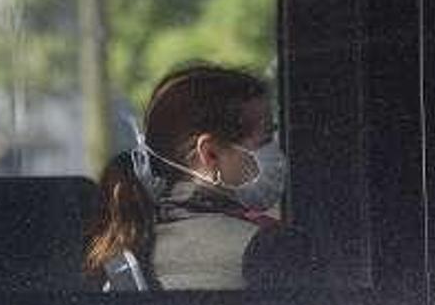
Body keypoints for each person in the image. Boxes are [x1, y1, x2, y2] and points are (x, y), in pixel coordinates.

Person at [84, 64, 319, 290]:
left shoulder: (131, 244)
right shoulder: (273, 250)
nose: (277, 152)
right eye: (265, 140)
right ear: (211, 153)